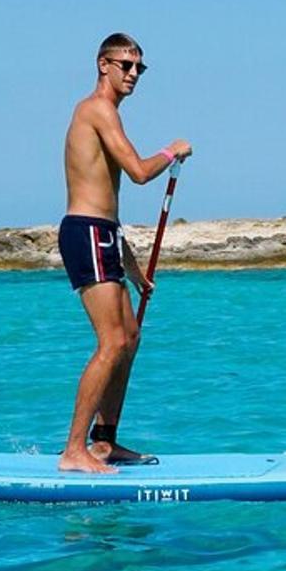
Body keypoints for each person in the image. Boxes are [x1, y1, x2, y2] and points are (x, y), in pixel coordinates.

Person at [56, 33, 192, 474]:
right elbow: (136, 172)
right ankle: (72, 450)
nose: (133, 74)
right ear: (103, 65)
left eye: (140, 68)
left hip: (105, 235)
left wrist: (132, 269)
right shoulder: (94, 109)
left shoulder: (107, 114)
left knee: (129, 337)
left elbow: (109, 203)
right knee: (111, 341)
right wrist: (171, 150)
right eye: (126, 65)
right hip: (86, 233)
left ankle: (104, 443)